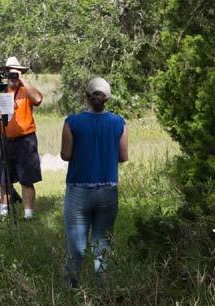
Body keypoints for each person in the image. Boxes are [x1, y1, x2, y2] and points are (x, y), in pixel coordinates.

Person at [60, 77, 128, 288]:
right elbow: (123, 156)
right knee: (102, 242)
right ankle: (103, 287)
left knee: (77, 246)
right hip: (108, 190)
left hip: (78, 190)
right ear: (107, 99)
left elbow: (66, 155)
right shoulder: (119, 122)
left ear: (86, 96)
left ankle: (72, 288)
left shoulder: (72, 122)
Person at [0, 56, 43, 220]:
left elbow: (38, 99)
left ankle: (28, 215)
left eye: (16, 72)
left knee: (27, 179)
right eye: (10, 72)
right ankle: (4, 212)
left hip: (25, 139)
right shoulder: (1, 90)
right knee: (3, 179)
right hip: (5, 139)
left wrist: (22, 80)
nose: (13, 76)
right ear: (5, 73)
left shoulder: (26, 90)